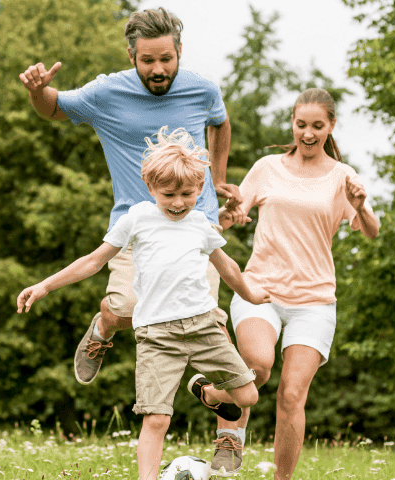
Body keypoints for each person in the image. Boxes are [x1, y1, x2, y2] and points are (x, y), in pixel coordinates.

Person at [16, 127, 269, 480]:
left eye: (188, 193)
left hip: (204, 327)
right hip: (157, 336)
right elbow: (93, 260)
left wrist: (251, 295)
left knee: (248, 396)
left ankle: (209, 393)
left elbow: (226, 267)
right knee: (156, 418)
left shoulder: (200, 224)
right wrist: (45, 285)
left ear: (200, 190)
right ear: (150, 189)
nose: (179, 202)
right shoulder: (136, 218)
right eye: (169, 194)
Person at [17, 7, 241, 388]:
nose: (158, 69)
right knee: (127, 310)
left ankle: (229, 439)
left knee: (209, 323)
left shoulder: (202, 89)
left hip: (196, 224)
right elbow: (52, 108)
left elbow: (220, 122)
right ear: (131, 56)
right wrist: (38, 91)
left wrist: (217, 179)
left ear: (180, 51)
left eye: (166, 59)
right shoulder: (106, 93)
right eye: (148, 60)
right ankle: (104, 326)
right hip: (136, 229)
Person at [194, 88, 380, 478]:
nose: (308, 133)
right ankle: (225, 421)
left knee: (292, 394)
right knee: (257, 368)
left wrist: (360, 205)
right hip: (260, 288)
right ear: (292, 124)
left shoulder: (344, 177)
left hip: (314, 300)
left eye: (317, 126)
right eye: (301, 125)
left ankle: (277, 472)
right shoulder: (267, 167)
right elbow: (229, 217)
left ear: (331, 127)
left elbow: (371, 232)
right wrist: (232, 214)